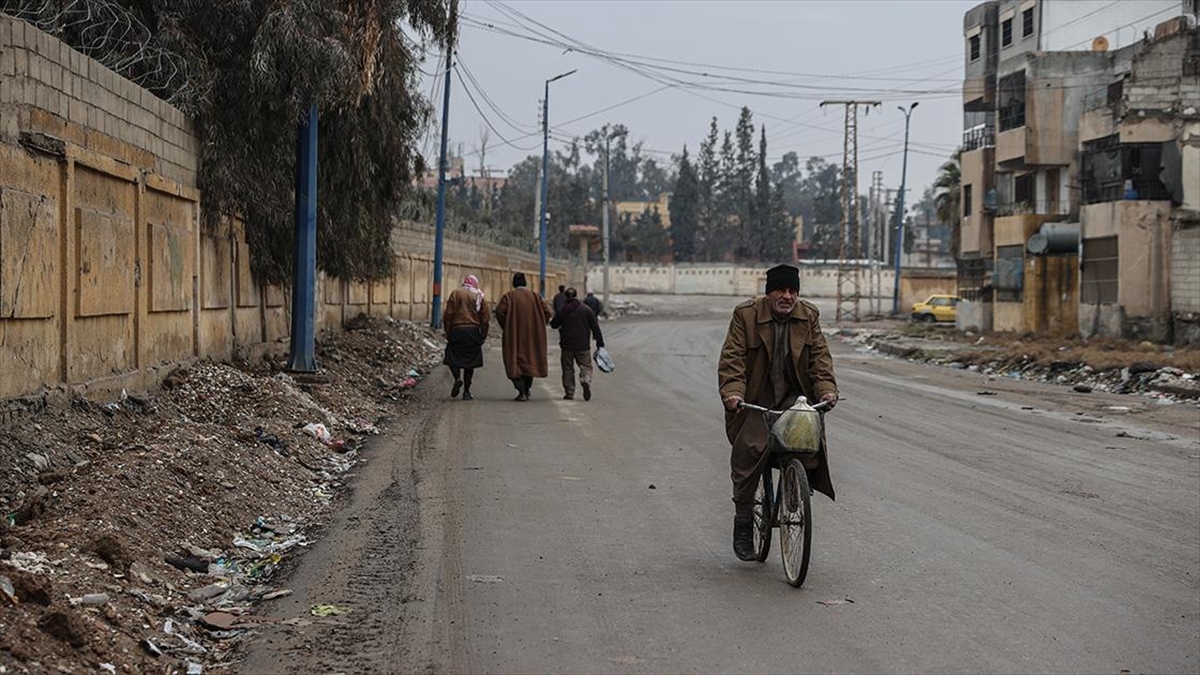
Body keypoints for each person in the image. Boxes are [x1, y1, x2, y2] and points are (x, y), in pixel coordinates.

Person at [717, 264, 838, 562]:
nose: (787, 296)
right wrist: (733, 393)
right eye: (781, 290)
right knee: (749, 450)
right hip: (757, 398)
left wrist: (825, 389)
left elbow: (820, 358)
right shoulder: (745, 315)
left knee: (807, 441)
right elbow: (732, 358)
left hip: (794, 398)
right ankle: (744, 519)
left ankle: (795, 483)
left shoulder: (808, 315)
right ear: (769, 292)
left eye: (793, 291)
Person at [493, 272, 554, 402]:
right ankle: (526, 389)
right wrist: (539, 323)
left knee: (514, 361)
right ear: (526, 283)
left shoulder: (509, 297)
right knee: (530, 360)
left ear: (513, 283)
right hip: (533, 335)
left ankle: (521, 391)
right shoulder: (536, 297)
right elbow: (548, 312)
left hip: (514, 335)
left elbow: (499, 312)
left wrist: (507, 325)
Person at [550, 287, 604, 401]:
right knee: (586, 366)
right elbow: (595, 327)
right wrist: (600, 343)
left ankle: (569, 393)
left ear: (566, 297)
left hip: (567, 345)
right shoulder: (586, 310)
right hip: (583, 345)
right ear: (576, 295)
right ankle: (585, 379)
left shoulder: (562, 310)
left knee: (568, 369)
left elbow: (554, 325)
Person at [441, 274, 489, 401]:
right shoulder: (479, 296)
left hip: (457, 330)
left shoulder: (455, 294)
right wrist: (483, 335)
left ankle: (457, 378)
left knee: (452, 356)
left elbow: (448, 315)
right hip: (472, 331)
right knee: (470, 362)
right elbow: (485, 318)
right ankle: (467, 392)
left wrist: (448, 331)